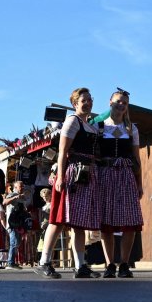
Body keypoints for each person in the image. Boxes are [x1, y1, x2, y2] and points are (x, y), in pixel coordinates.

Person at [36, 88, 104, 279]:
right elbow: (62, 150)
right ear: (75, 103)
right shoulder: (72, 120)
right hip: (72, 173)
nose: (88, 103)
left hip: (87, 174)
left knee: (79, 223)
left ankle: (81, 265)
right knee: (58, 220)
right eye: (84, 100)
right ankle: (44, 261)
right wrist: (59, 177)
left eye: (90, 99)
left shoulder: (89, 125)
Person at [96, 88, 144, 277]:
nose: (121, 104)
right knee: (106, 222)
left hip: (126, 175)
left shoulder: (131, 128)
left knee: (130, 221)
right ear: (110, 102)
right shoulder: (100, 127)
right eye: (118, 101)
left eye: (124, 102)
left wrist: (139, 183)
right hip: (105, 175)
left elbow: (136, 158)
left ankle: (124, 263)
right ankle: (109, 264)